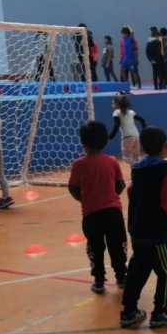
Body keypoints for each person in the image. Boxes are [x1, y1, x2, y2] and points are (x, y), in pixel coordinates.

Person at [120, 126, 167, 329]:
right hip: (157, 233)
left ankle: (129, 311)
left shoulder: (137, 168)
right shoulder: (166, 170)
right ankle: (160, 312)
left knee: (138, 269)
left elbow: (131, 191)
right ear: (166, 145)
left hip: (137, 229)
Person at [68, 121, 128, 293]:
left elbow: (73, 188)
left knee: (95, 247)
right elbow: (120, 185)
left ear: (83, 143)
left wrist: (86, 199)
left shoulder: (78, 164)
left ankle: (99, 280)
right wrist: (110, 194)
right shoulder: (111, 161)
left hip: (91, 215)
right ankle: (122, 276)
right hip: (113, 213)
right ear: (106, 141)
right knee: (117, 244)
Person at [108, 92, 146, 164]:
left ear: (118, 104)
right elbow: (142, 120)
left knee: (126, 157)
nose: (112, 105)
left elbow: (116, 125)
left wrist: (110, 137)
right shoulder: (131, 112)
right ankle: (141, 168)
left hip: (127, 137)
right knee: (136, 157)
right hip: (136, 136)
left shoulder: (116, 112)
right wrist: (145, 130)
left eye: (113, 104)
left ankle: (137, 166)